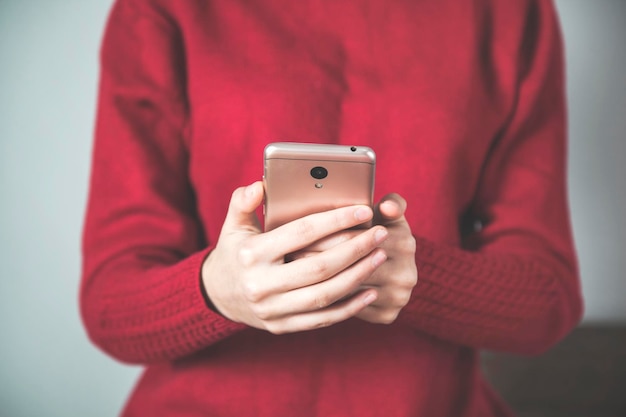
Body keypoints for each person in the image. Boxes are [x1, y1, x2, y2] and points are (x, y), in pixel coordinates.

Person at [80, 0, 583, 415]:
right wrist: (216, 290)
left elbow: (548, 299)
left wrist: (413, 276)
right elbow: (109, 306)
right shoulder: (161, 10)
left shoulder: (511, 11)